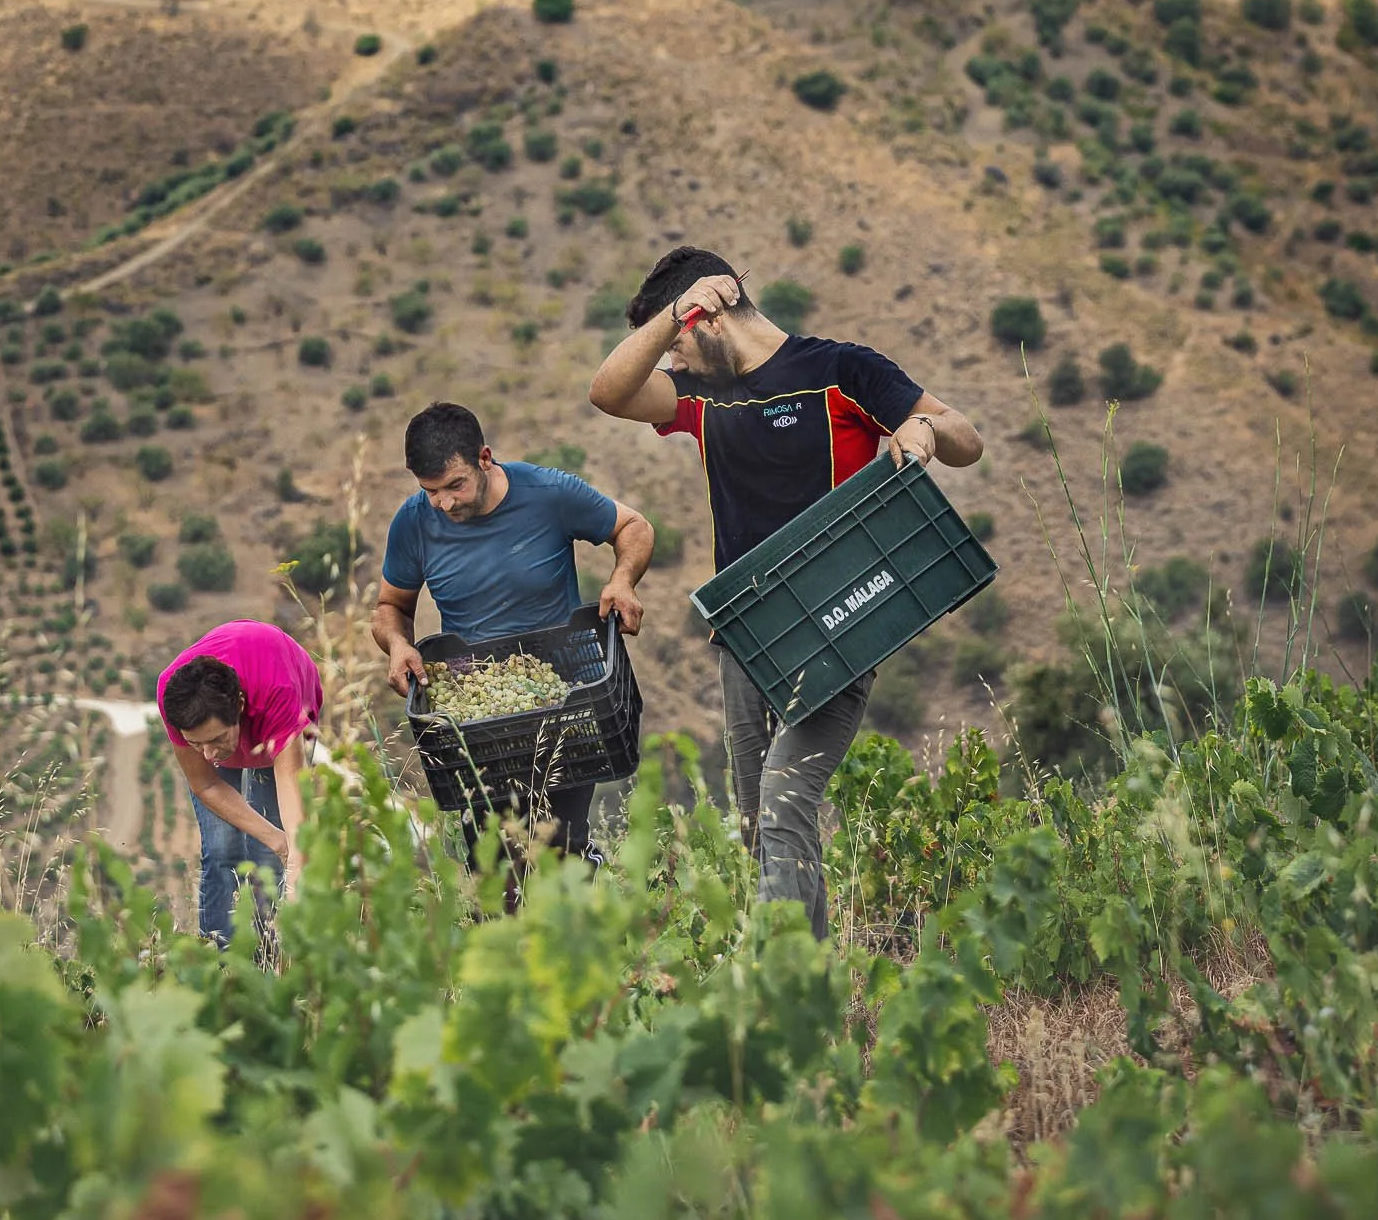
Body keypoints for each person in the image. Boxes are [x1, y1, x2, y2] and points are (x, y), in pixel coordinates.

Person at [587, 246, 983, 939]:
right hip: (745, 636)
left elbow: (965, 438)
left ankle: (782, 972)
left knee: (783, 799)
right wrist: (672, 317)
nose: (671, 361)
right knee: (760, 823)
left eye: (676, 342)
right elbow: (608, 392)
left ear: (710, 317)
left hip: (840, 625)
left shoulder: (842, 370)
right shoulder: (698, 394)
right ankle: (814, 973)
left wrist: (922, 426)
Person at [373, 402, 654, 891]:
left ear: (484, 458)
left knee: (558, 849)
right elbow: (389, 606)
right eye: (431, 491)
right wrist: (398, 644)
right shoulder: (414, 522)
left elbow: (634, 528)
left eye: (455, 485)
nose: (444, 504)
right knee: (495, 867)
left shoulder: (546, 492)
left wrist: (622, 581)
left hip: (561, 702)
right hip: (476, 717)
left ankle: (587, 895)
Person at [156, 619, 323, 946]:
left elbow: (293, 806)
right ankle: (219, 955)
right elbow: (205, 784)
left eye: (216, 739)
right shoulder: (173, 698)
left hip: (281, 711)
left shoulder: (278, 693)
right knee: (222, 849)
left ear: (240, 707)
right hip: (243, 713)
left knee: (272, 855)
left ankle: (271, 949)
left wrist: (294, 868)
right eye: (195, 743)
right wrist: (276, 840)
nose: (207, 755)